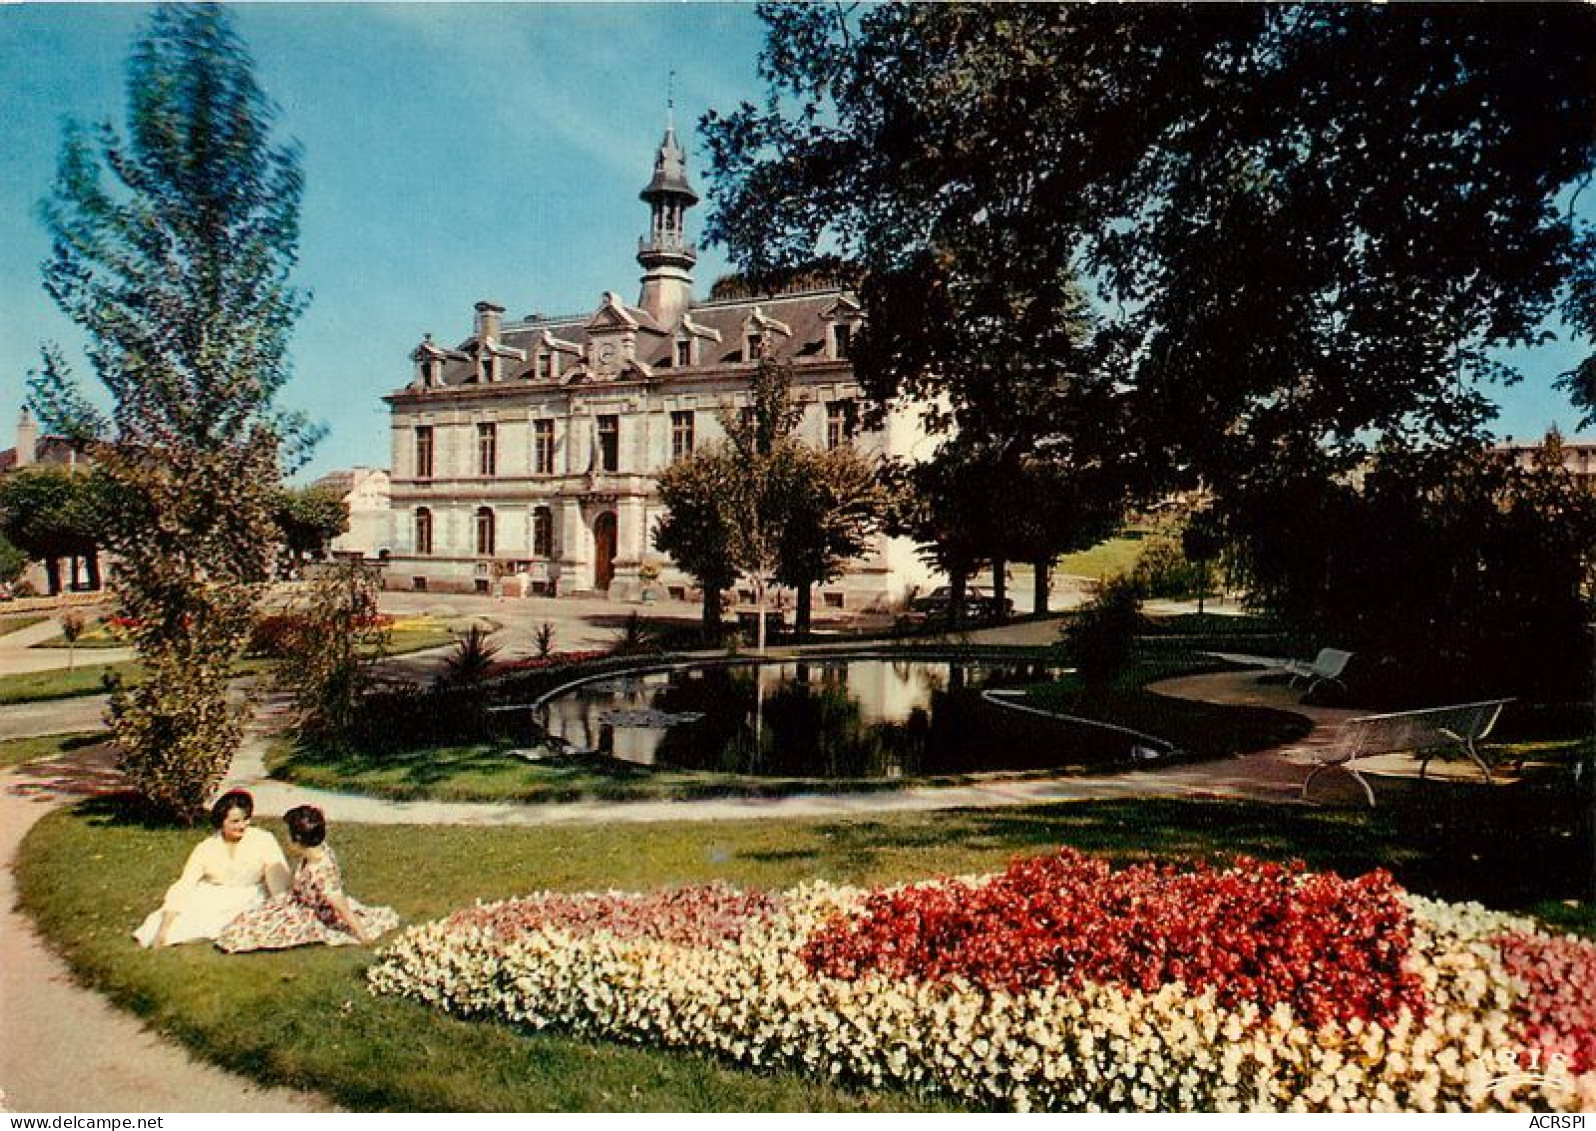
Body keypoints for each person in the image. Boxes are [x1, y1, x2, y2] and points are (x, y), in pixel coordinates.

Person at [215, 805, 398, 953]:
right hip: (296, 902)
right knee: (250, 919)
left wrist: (364, 938)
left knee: (262, 930)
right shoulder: (317, 851)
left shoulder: (320, 872)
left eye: (289, 835)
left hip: (312, 913)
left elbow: (340, 905)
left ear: (298, 839)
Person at [133, 790, 290, 949]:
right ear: (222, 822)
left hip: (250, 896)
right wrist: (164, 926)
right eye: (235, 821)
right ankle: (162, 934)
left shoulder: (263, 840)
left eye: (246, 819)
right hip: (213, 895)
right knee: (166, 922)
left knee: (218, 923)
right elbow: (185, 884)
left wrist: (281, 908)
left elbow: (278, 878)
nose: (242, 826)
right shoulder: (206, 847)